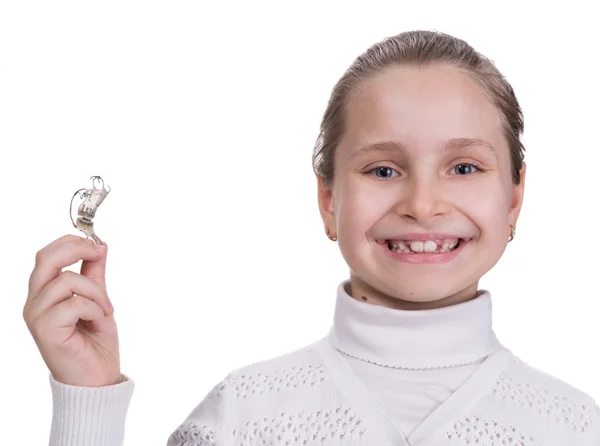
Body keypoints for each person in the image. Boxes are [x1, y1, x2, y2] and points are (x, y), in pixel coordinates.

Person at [23, 30, 599, 446]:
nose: (422, 204)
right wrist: (89, 400)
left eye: (465, 168)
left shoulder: (574, 427)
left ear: (515, 199)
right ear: (328, 201)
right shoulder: (241, 418)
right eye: (383, 170)